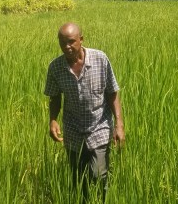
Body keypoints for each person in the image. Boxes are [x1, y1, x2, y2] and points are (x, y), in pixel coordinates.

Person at [44, 23, 125, 203]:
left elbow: (112, 92)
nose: (67, 47)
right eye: (62, 42)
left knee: (98, 173)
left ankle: (104, 199)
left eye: (71, 42)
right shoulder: (55, 68)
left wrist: (119, 124)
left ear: (81, 40)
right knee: (78, 178)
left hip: (99, 126)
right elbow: (55, 97)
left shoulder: (100, 59)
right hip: (73, 128)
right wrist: (53, 120)